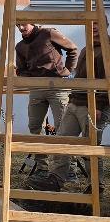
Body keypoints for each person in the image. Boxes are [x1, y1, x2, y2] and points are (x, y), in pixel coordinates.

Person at [44, 24, 108, 192]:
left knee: (90, 146)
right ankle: (56, 179)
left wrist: (99, 106)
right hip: (75, 102)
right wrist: (71, 99)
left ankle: (96, 185)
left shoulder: (107, 49)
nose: (94, 27)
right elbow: (79, 76)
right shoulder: (86, 49)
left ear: (106, 25)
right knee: (62, 140)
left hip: (94, 105)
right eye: (91, 24)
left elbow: (107, 80)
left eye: (98, 23)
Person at [15, 23, 78, 190]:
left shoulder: (48, 33)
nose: (21, 28)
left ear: (32, 23)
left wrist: (67, 72)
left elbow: (72, 49)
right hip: (37, 88)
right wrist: (28, 76)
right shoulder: (20, 46)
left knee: (64, 128)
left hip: (58, 86)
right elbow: (21, 69)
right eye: (18, 25)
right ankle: (42, 168)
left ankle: (68, 170)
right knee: (35, 127)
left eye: (23, 24)